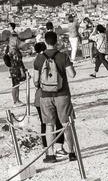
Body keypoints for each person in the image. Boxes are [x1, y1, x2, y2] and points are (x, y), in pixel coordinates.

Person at [32, 29, 78, 162]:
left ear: (45, 42)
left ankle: (50, 154)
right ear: (56, 42)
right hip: (62, 94)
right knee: (66, 124)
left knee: (49, 125)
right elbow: (72, 74)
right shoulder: (63, 56)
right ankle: (71, 152)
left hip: (45, 96)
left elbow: (36, 81)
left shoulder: (39, 58)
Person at [5, 25, 26, 105]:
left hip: (14, 67)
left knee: (16, 84)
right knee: (15, 84)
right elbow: (18, 62)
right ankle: (15, 100)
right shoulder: (14, 52)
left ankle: (17, 100)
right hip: (15, 68)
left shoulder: (11, 50)